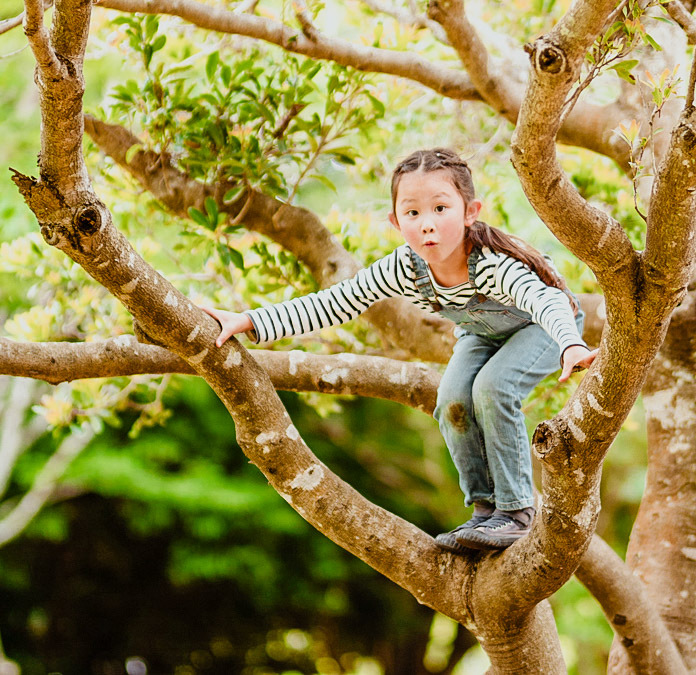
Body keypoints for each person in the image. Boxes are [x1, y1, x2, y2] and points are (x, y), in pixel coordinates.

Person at [204, 148, 597, 551]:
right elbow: (334, 302)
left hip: (545, 326)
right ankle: (485, 511)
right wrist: (249, 320)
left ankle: (515, 513)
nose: (427, 225)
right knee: (453, 401)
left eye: (440, 208)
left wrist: (570, 344)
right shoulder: (405, 268)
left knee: (493, 388)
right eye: (412, 214)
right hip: (482, 335)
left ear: (470, 212)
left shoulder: (494, 261)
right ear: (395, 221)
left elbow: (544, 301)